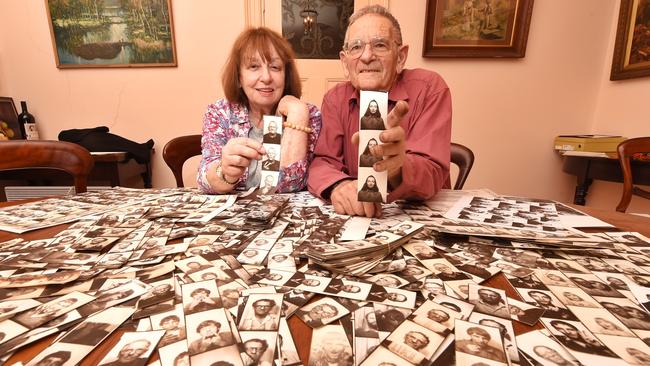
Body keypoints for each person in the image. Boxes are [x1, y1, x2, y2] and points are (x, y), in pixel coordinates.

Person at [308, 5, 451, 218]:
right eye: (356, 47)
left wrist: (397, 168)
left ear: (401, 57)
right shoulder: (335, 99)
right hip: (356, 215)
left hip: (414, 217)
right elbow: (323, 161)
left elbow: (433, 171)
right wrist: (338, 185)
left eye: (380, 45)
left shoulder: (430, 88)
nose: (366, 56)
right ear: (345, 62)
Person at [198, 27, 321, 194]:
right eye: (254, 66)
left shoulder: (309, 115)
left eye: (275, 67)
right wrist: (225, 172)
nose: (266, 77)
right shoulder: (219, 113)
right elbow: (205, 181)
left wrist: (298, 112)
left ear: (286, 75)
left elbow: (293, 185)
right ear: (239, 77)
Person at [549, 320, 616, 357]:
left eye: (570, 329)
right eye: (560, 329)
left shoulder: (590, 335)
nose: (567, 332)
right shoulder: (559, 338)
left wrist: (597, 346)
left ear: (576, 329)